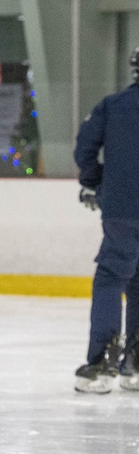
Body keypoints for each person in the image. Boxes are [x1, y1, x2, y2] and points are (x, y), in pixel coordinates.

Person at [73, 45, 139, 394]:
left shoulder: (113, 107)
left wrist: (93, 181)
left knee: (112, 277)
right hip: (124, 206)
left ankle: (101, 363)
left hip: (124, 210)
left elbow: (84, 146)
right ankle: (135, 363)